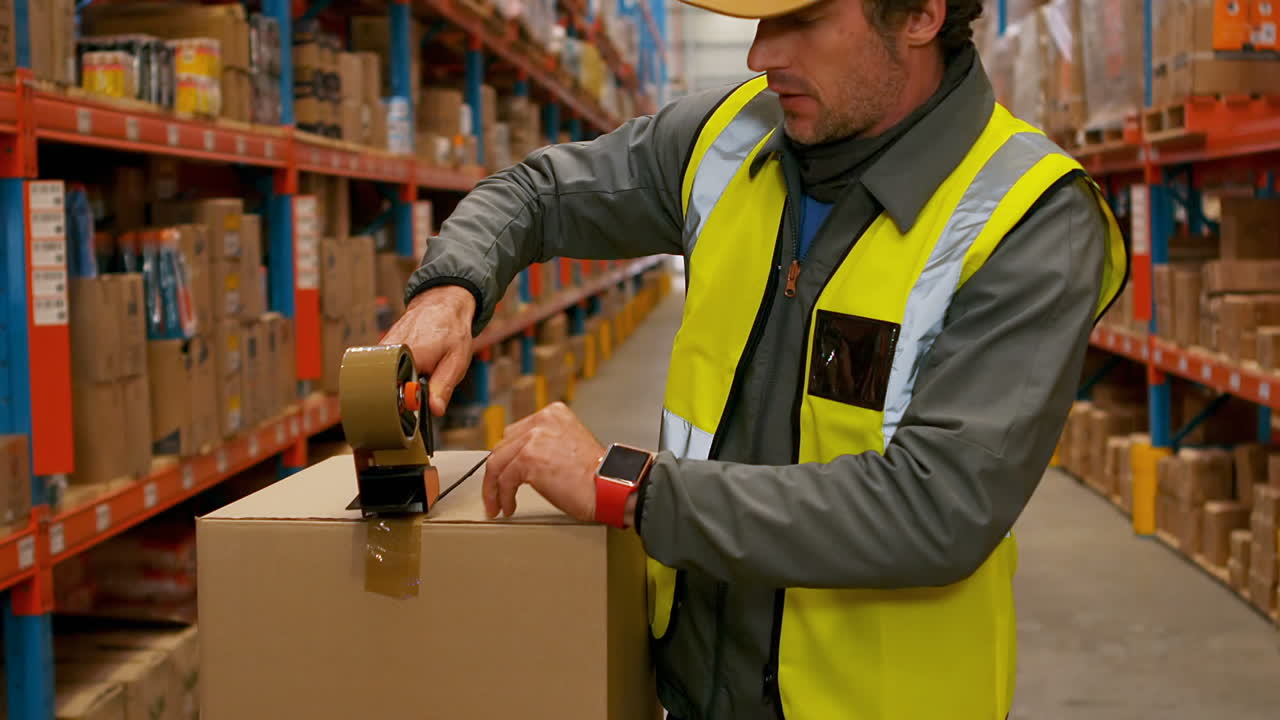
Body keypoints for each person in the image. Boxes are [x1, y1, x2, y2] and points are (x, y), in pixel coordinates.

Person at [381, 0, 1129, 717]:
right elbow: (538, 192)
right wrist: (452, 287)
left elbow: (937, 508)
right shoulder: (729, 137)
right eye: (760, 20)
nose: (760, 55)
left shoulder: (1030, 220)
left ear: (919, 15)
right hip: (699, 692)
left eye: (801, 20)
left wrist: (630, 491)